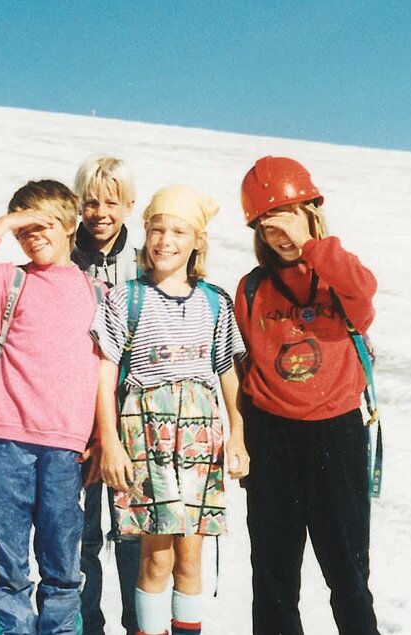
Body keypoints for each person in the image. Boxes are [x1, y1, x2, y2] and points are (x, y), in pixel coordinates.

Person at [0, 179, 103, 635]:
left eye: (44, 223)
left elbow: (103, 370)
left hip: (66, 445)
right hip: (6, 440)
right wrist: (6, 222)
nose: (33, 234)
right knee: (9, 559)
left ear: (71, 225)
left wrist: (98, 434)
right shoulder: (8, 283)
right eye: (24, 228)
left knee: (62, 558)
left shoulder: (95, 293)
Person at [92, 185, 250, 635]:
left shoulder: (215, 301)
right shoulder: (126, 298)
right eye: (157, 229)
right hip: (145, 434)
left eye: (178, 231)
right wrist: (111, 444)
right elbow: (106, 375)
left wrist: (237, 435)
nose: (166, 240)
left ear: (197, 241)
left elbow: (227, 375)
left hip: (200, 436)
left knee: (191, 555)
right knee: (155, 554)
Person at [235, 156, 380, 635]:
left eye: (289, 217)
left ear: (313, 212)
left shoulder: (339, 275)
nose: (279, 234)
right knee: (274, 571)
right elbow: (241, 362)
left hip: (336, 434)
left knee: (347, 568)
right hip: (272, 437)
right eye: (267, 224)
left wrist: (312, 246)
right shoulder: (252, 287)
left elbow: (365, 290)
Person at [70, 155, 142, 635]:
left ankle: (139, 623)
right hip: (73, 413)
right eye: (91, 201)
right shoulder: (61, 257)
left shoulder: (143, 263)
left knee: (134, 533)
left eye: (111, 202)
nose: (100, 212)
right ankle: (85, 626)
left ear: (129, 205)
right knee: (81, 536)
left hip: (133, 417)